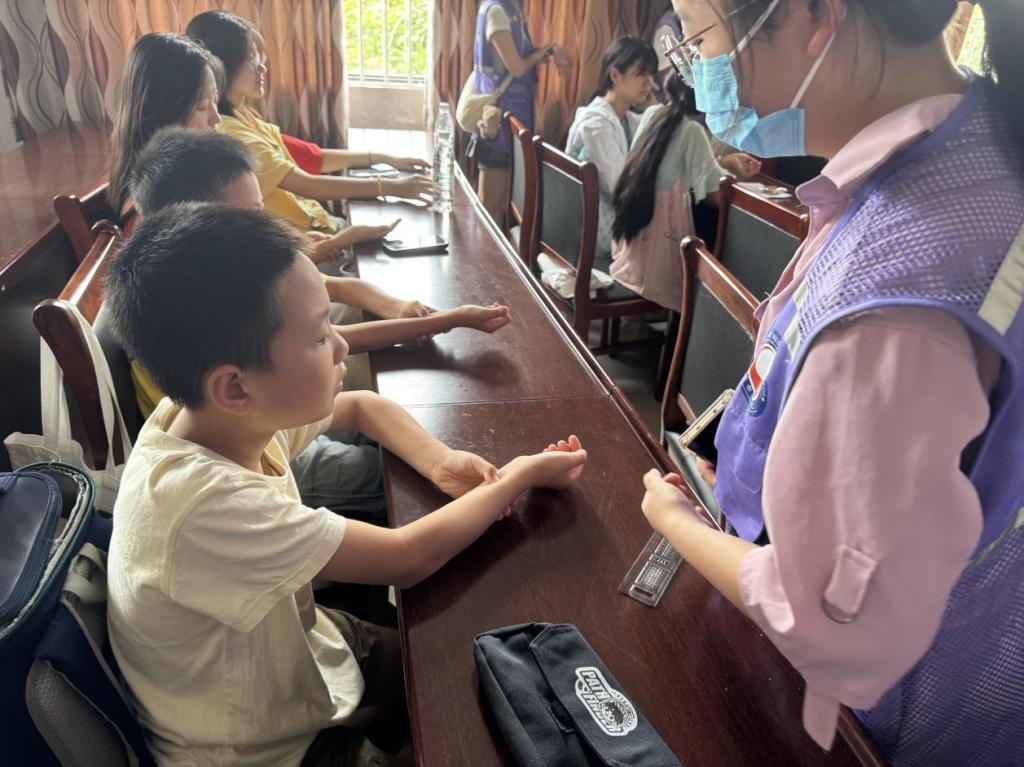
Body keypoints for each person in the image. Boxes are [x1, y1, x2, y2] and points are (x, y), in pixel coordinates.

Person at [641, 0, 1024, 764]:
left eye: (698, 37)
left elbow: (831, 625)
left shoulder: (898, 294)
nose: (693, 72)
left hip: (878, 721)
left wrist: (674, 521)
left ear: (816, 14)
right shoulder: (974, 151)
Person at [103, 203, 588, 766]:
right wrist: (521, 474)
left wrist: (440, 462)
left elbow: (361, 405)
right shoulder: (204, 504)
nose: (341, 347)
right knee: (463, 701)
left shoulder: (209, 418)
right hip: (257, 750)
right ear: (234, 387)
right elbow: (406, 558)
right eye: (318, 338)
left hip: (297, 649)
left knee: (453, 662)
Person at [126, 127, 512, 518]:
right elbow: (406, 550)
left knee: (394, 424)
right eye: (251, 216)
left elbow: (348, 368)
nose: (265, 223)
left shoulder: (224, 279)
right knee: (395, 478)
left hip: (268, 426)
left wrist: (433, 316)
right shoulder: (220, 300)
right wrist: (446, 320)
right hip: (261, 444)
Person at [186, 10, 432, 234]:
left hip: (322, 226)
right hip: (305, 241)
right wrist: (390, 187)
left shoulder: (246, 115)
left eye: (260, 56)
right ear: (225, 63)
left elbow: (311, 157)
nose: (262, 67)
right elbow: (307, 185)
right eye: (250, 57)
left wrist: (384, 158)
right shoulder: (232, 134)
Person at [610, 72, 725, 311]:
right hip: (662, 256)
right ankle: (697, 321)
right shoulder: (692, 131)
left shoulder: (653, 114)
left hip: (634, 244)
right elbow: (716, 191)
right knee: (717, 230)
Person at [467, 0, 568, 224]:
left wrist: (545, 51)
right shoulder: (497, 11)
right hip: (497, 120)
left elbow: (517, 57)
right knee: (490, 207)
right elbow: (517, 67)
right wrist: (538, 54)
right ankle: (480, 247)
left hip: (511, 115)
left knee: (501, 203)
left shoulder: (512, 10)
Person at [107, 33, 222, 220]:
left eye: (215, 100)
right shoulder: (156, 210)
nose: (216, 118)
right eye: (201, 106)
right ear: (163, 115)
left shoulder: (189, 177)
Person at [565, 37, 658, 258]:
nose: (650, 83)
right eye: (641, 74)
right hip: (590, 230)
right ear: (615, 75)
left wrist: (653, 111)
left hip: (606, 222)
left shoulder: (628, 119)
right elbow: (621, 186)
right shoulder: (596, 124)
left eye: (651, 74)